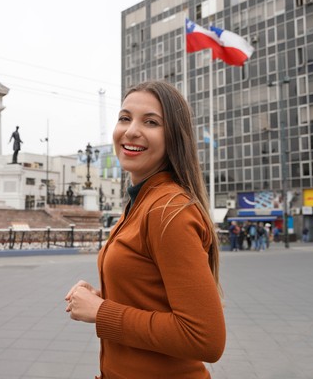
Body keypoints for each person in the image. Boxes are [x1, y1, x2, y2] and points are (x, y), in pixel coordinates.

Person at [64, 81, 225, 378]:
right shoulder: (142, 202)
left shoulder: (168, 210)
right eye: (125, 118)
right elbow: (154, 292)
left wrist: (101, 312)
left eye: (150, 122)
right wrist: (107, 295)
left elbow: (205, 338)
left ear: (174, 137)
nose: (131, 130)